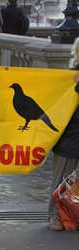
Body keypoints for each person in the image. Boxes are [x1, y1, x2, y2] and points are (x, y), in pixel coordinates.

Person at [47, 37, 79, 231]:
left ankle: (73, 215)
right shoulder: (69, 76)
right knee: (61, 179)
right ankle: (55, 216)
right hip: (69, 136)